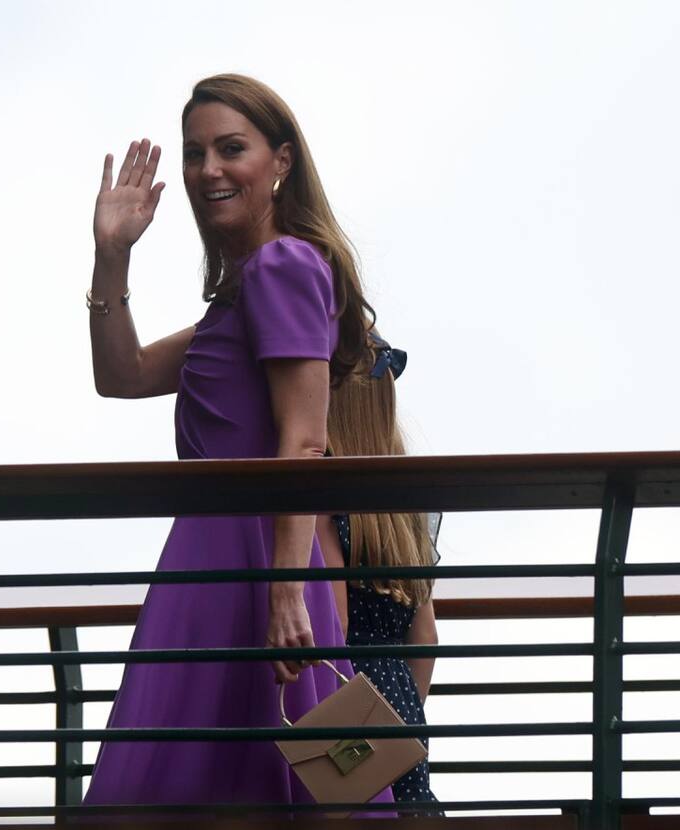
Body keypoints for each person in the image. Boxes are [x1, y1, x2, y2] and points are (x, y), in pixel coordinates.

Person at [83, 73, 394, 811]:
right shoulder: (244, 288)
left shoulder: (283, 266)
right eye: (195, 154)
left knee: (224, 783)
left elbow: (304, 439)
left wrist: (286, 588)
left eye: (231, 149)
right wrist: (111, 253)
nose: (208, 170)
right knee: (240, 782)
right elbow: (120, 375)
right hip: (220, 554)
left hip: (251, 557)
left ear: (281, 161)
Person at [321, 333, 441, 808]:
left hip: (345, 695)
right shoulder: (407, 506)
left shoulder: (324, 499)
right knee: (406, 805)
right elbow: (425, 639)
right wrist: (401, 711)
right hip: (399, 697)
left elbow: (335, 625)